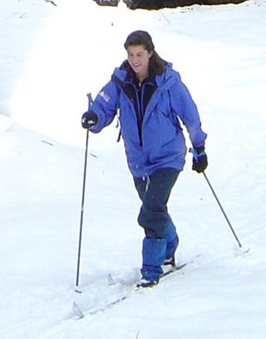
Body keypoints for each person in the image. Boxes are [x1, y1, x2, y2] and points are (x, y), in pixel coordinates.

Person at [81, 30, 208, 288]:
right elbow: (104, 105)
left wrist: (199, 147)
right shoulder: (121, 80)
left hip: (167, 158)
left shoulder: (169, 83)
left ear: (150, 52)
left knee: (150, 211)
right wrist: (94, 117)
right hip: (138, 160)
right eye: (130, 55)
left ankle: (151, 270)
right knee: (155, 208)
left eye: (139, 54)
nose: (135, 60)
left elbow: (190, 116)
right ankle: (169, 245)